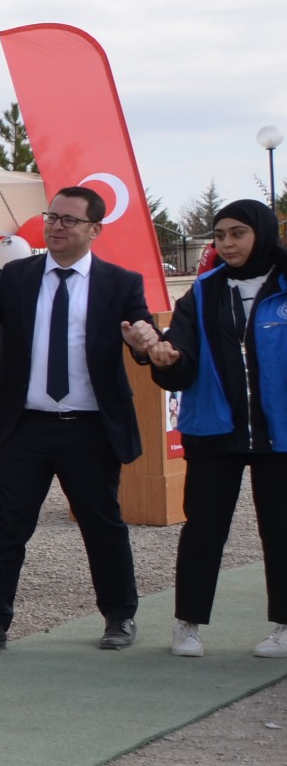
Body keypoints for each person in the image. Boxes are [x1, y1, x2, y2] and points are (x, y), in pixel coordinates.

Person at [0, 185, 159, 653]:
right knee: (7, 524)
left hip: (89, 428)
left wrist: (145, 343)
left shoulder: (119, 283)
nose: (56, 226)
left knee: (103, 524)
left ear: (94, 229)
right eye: (52, 217)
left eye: (68, 220)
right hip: (26, 427)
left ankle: (120, 615)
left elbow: (140, 331)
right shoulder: (18, 276)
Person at [142, 200, 287, 656]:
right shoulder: (202, 292)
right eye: (219, 235)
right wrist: (163, 358)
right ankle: (188, 624)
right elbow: (179, 362)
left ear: (262, 233)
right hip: (214, 430)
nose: (226, 244)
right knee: (204, 528)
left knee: (281, 528)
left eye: (237, 234)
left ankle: (284, 625)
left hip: (279, 433)